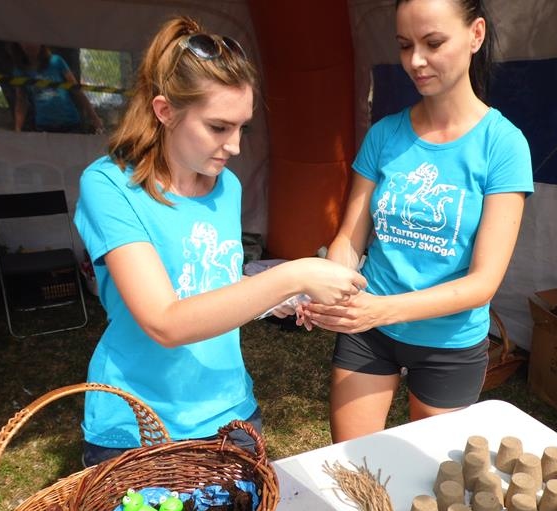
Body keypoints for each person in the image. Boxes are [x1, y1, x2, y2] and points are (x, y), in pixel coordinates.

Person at [74, 16, 365, 466]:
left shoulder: (227, 186)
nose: (235, 146)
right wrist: (294, 274)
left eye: (242, 127)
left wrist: (274, 298)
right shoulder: (110, 186)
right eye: (218, 127)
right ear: (164, 111)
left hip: (229, 413)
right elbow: (165, 322)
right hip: (139, 424)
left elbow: (210, 285)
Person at [300, 0, 533, 442]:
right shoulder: (384, 134)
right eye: (405, 45)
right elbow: (350, 238)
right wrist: (328, 288)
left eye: (433, 43)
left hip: (449, 342)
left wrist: (379, 309)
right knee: (351, 465)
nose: (416, 61)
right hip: (370, 332)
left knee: (430, 476)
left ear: (476, 35)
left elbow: (483, 283)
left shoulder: (503, 145)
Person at [10, 42, 103, 133]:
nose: (30, 45)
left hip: (70, 123)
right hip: (44, 125)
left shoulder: (56, 61)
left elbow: (76, 91)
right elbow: (21, 101)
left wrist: (94, 118)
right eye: (25, 42)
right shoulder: (20, 71)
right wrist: (18, 128)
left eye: (34, 41)